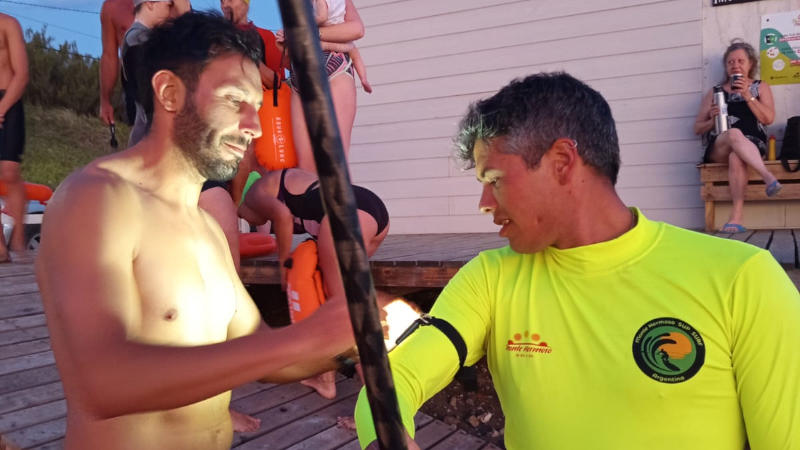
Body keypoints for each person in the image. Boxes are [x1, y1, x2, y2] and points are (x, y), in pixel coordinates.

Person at [354, 72, 800, 449]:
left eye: (494, 179)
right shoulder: (489, 278)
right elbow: (396, 376)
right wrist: (384, 439)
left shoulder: (743, 279)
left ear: (563, 161)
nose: (484, 202)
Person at [36, 12, 356, 450]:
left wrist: (347, 338)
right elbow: (100, 382)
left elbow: (256, 346)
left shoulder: (205, 226)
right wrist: (306, 338)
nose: (255, 128)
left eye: (257, 108)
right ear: (169, 92)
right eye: (234, 101)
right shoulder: (95, 199)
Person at [238, 162, 389, 400]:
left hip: (344, 217)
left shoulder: (255, 194)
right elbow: (271, 228)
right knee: (328, 299)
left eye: (240, 216)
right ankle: (326, 378)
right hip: (371, 211)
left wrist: (284, 263)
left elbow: (283, 217)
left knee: (346, 313)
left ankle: (380, 406)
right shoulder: (282, 181)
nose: (244, 220)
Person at [694, 40, 781, 233]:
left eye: (740, 61)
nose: (735, 65)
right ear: (726, 66)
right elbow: (697, 128)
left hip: (753, 146)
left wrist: (747, 95)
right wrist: (712, 120)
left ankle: (736, 217)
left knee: (737, 156)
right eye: (731, 62)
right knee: (733, 133)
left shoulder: (760, 87)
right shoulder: (715, 92)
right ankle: (768, 176)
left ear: (751, 64)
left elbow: (768, 118)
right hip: (720, 146)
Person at [278, 0, 366, 173]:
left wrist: (309, 32)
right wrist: (285, 47)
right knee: (306, 168)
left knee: (335, 162)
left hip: (333, 67)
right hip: (300, 75)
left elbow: (357, 29)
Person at [120, 0, 175, 146]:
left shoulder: (136, 37)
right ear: (150, 3)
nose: (170, 13)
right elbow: (147, 94)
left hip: (145, 130)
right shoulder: (138, 39)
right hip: (148, 133)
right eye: (168, 6)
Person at [0, 13, 29, 263]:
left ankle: (19, 234)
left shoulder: (8, 24)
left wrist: (2, 108)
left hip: (8, 100)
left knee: (9, 171)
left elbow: (22, 74)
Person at [99, 0, 133, 127]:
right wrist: (105, 101)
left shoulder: (170, 3)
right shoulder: (112, 7)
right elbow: (109, 56)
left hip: (171, 85)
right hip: (134, 90)